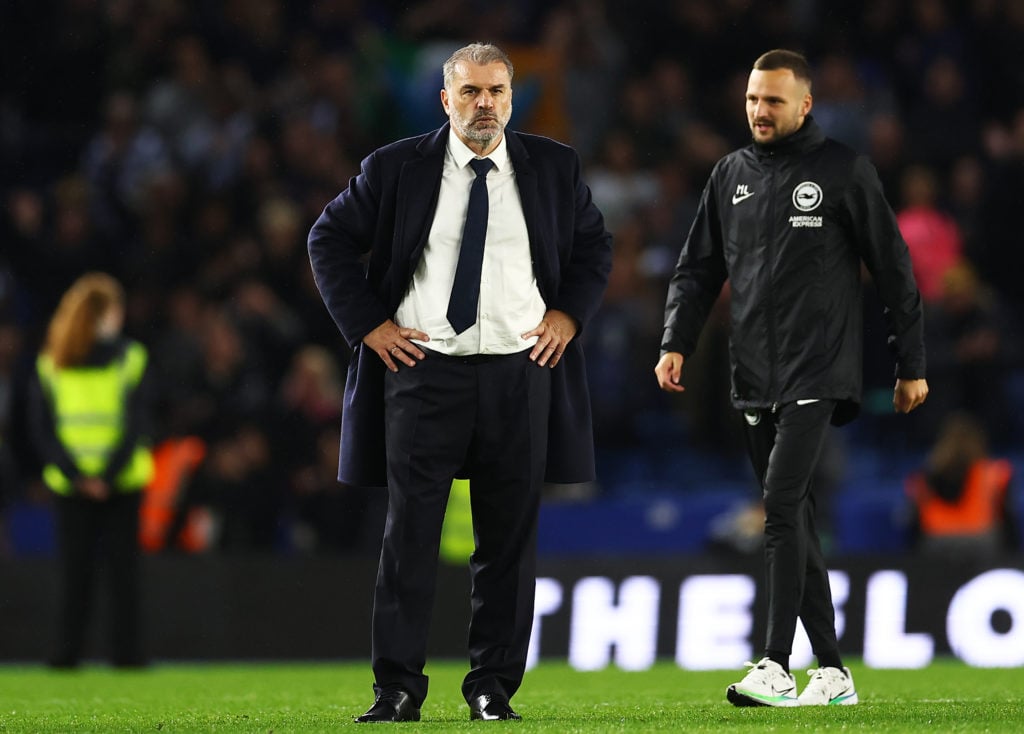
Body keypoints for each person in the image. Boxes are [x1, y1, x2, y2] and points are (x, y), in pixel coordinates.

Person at [308, 42, 612, 723]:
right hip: (422, 372)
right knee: (408, 537)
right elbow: (327, 239)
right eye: (470, 91)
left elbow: (595, 246)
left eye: (497, 91)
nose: (484, 104)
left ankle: (491, 688)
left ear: (511, 97)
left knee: (507, 543)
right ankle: (396, 689)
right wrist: (369, 326)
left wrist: (569, 314)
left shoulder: (553, 167)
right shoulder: (394, 168)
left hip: (520, 371)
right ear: (445, 100)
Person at [654, 49, 929, 708]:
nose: (759, 111)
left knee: (779, 510)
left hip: (819, 369)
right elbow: (698, 271)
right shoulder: (729, 176)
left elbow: (894, 269)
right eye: (753, 99)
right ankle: (832, 671)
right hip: (752, 374)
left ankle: (775, 663)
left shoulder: (842, 171)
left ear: (805, 105)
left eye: (773, 101)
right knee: (796, 518)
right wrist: (675, 342)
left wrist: (910, 363)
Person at [27, 272, 154, 668]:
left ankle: (72, 655)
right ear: (102, 313)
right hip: (103, 484)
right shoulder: (122, 358)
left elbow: (43, 431)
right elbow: (137, 424)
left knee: (83, 576)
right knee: (111, 576)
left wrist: (84, 476)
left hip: (87, 485)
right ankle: (120, 657)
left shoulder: (53, 363)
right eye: (114, 309)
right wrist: (97, 478)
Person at [905, 412, 1017, 559]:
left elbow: (913, 530)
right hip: (983, 548)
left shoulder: (923, 478)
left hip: (936, 548)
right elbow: (1008, 525)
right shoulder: (995, 474)